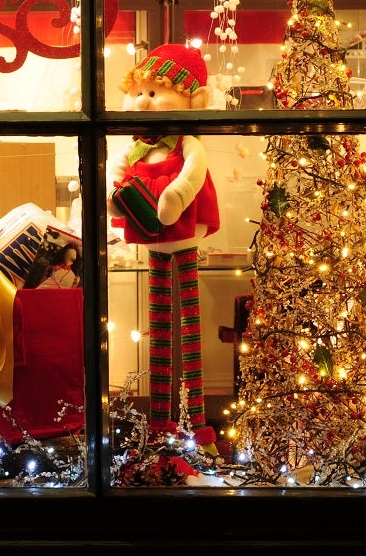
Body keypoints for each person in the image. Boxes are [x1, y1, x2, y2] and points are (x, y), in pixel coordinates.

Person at [105, 44, 221, 454]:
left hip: (183, 229)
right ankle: (158, 422)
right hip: (152, 236)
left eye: (156, 92)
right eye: (140, 91)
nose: (144, 101)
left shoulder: (187, 142)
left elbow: (193, 174)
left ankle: (199, 424)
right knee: (159, 329)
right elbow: (117, 173)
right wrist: (114, 195)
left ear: (192, 98)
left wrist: (174, 196)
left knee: (190, 327)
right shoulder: (138, 145)